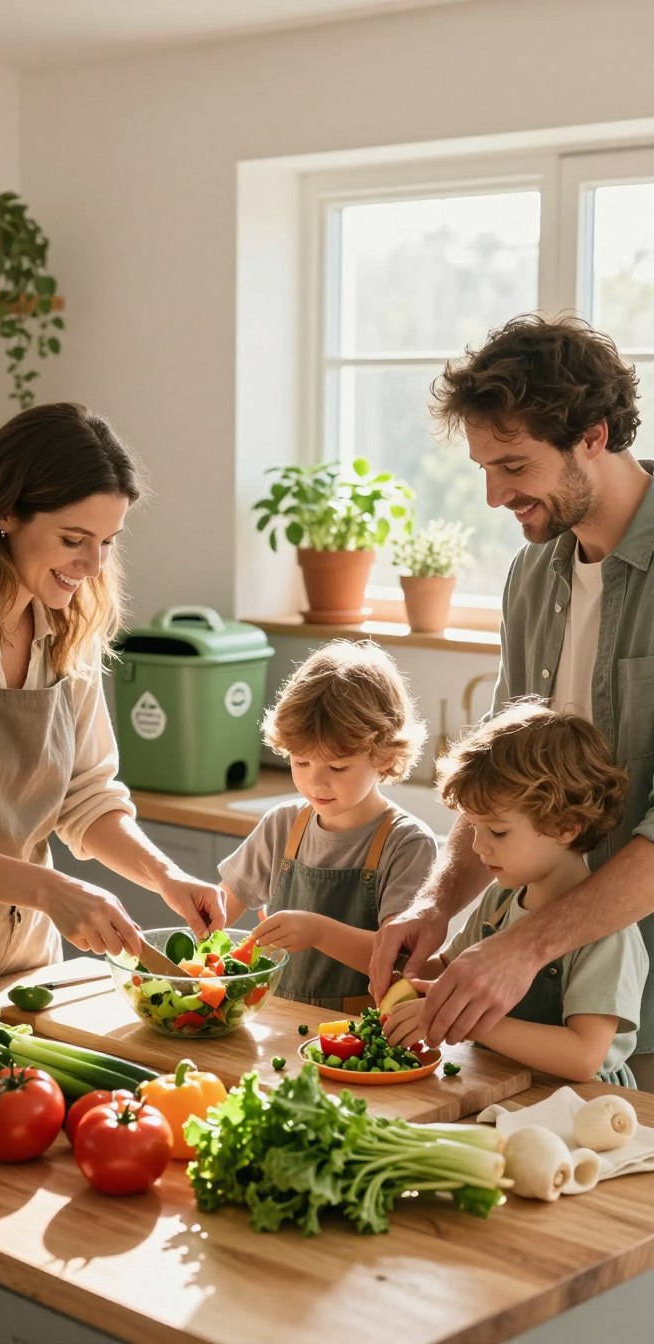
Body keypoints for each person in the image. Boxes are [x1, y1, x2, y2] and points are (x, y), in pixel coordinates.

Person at [369, 313, 654, 1090]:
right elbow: (501, 776)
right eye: (484, 467)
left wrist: (525, 947)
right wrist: (437, 904)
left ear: (593, 436)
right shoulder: (533, 577)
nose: (496, 494)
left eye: (515, 465)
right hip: (538, 1006)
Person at [0, 401, 225, 983]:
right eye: (74, 539)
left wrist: (165, 876)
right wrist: (54, 889)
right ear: (4, 514)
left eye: (108, 542)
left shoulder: (67, 628)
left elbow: (86, 796)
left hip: (28, 969)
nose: (92, 566)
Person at [383, 700, 648, 1087]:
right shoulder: (500, 902)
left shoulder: (609, 932)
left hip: (581, 1114)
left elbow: (583, 1057)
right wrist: (322, 935)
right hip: (502, 1091)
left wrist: (469, 1021)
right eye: (472, 826)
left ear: (566, 827)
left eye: (498, 831)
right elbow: (440, 974)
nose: (478, 847)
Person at [217, 639, 436, 1010]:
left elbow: (399, 959)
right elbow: (222, 907)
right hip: (275, 1017)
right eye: (301, 763)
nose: (316, 783)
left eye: (337, 767)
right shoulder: (282, 825)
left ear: (383, 756)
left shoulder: (407, 844)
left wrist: (317, 931)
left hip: (356, 1035)